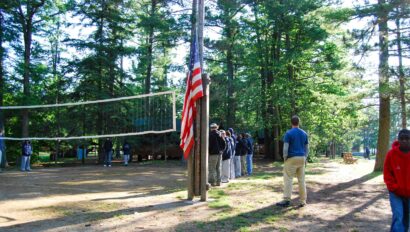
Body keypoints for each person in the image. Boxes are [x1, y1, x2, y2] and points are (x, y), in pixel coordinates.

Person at [276, 115, 309, 208]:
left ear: (291, 123)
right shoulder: (304, 133)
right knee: (302, 180)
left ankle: (286, 199)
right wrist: (305, 157)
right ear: (299, 122)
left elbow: (285, 147)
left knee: (288, 179)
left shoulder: (288, 133)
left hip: (291, 158)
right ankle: (303, 200)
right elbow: (307, 148)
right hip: (301, 158)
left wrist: (285, 158)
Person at [384, 129, 410, 232]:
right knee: (398, 215)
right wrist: (394, 187)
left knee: (406, 217)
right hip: (396, 192)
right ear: (398, 140)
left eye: (407, 138)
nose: (404, 141)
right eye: (402, 139)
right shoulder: (391, 154)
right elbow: (387, 173)